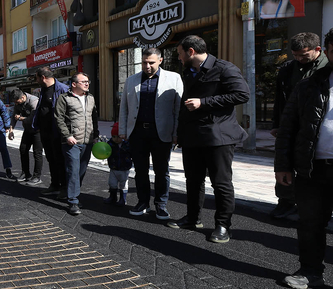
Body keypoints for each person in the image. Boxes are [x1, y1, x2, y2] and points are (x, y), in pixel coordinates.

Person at [167, 35, 250, 243]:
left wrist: (204, 102)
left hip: (218, 136)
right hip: (192, 136)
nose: (178, 57)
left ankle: (223, 226)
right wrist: (179, 132)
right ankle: (193, 218)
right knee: (193, 181)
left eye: (179, 53)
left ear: (191, 52)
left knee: (221, 183)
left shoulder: (225, 68)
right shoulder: (188, 71)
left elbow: (242, 95)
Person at [275, 29, 333, 289]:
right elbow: (289, 126)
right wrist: (283, 165)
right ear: (328, 52)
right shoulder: (309, 84)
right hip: (314, 168)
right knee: (310, 223)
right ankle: (310, 271)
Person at [118, 47, 183, 220]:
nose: (147, 66)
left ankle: (161, 205)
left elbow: (178, 110)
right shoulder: (131, 80)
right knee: (140, 170)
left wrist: (176, 133)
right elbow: (124, 107)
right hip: (137, 133)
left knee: (162, 171)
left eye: (151, 62)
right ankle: (143, 202)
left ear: (160, 61)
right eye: (144, 62)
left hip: (161, 133)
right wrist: (123, 131)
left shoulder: (174, 78)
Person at [270, 32, 328, 219]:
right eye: (295, 55)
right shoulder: (287, 69)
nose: (299, 59)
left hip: (315, 125)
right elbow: (279, 98)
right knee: (285, 161)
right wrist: (276, 124)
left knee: (312, 168)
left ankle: (316, 206)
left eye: (304, 55)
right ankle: (285, 201)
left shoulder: (326, 68)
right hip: (290, 123)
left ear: (318, 50)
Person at [54, 72, 99, 216]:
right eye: (83, 81)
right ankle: (73, 201)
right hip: (71, 142)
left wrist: (96, 135)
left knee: (81, 171)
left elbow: (94, 117)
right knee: (73, 170)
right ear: (74, 84)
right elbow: (58, 118)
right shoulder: (64, 98)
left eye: (88, 81)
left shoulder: (90, 98)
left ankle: (71, 193)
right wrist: (67, 135)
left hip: (88, 141)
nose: (87, 84)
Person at [33, 67, 70, 198]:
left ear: (43, 77)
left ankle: (65, 188)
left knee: (60, 160)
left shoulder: (63, 89)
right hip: (45, 131)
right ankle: (55, 185)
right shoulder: (43, 90)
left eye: (36, 77)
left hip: (57, 132)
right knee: (51, 159)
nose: (36, 80)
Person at [9, 88, 43, 185]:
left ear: (23, 97)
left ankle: (37, 176)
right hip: (27, 130)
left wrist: (21, 118)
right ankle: (26, 173)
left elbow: (34, 118)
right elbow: (14, 115)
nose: (16, 104)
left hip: (38, 130)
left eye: (17, 101)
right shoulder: (18, 103)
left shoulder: (34, 101)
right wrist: (11, 130)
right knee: (23, 150)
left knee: (37, 153)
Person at [104, 122, 131, 206]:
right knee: (112, 183)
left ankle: (123, 199)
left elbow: (131, 151)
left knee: (123, 184)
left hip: (124, 168)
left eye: (118, 137)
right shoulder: (110, 144)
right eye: (113, 137)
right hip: (113, 167)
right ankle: (113, 196)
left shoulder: (127, 144)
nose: (115, 139)